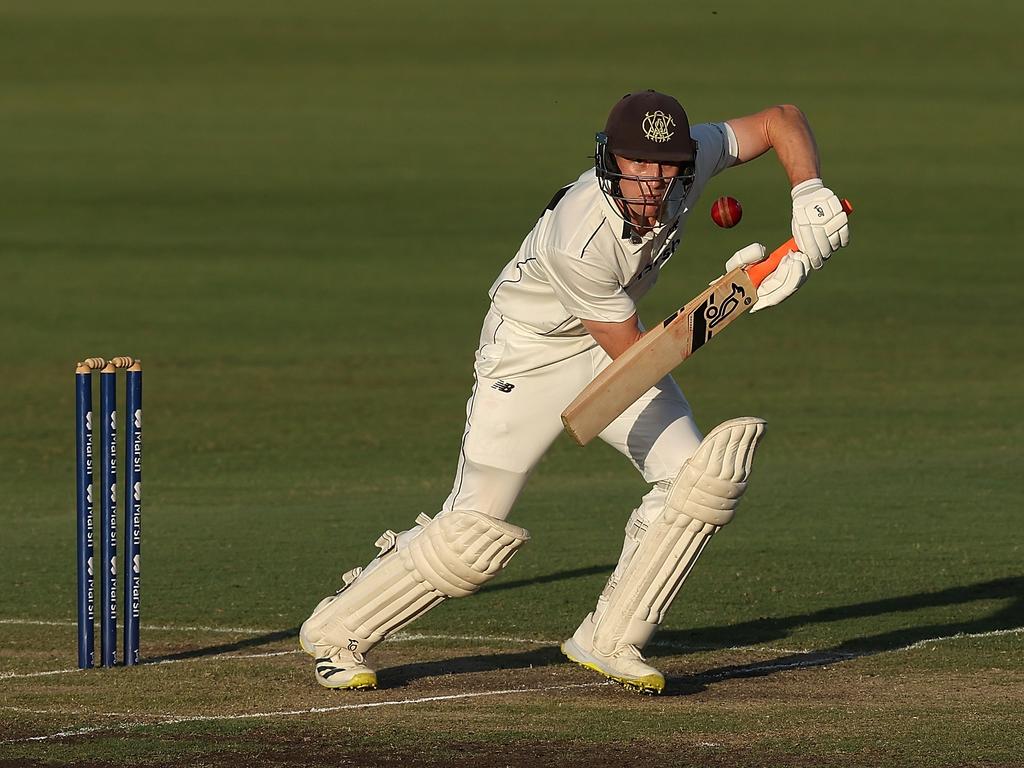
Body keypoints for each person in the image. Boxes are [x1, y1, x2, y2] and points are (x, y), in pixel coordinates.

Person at [299, 90, 850, 693]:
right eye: (639, 168)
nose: (656, 185)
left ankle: (610, 637)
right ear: (611, 162)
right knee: (471, 534)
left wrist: (808, 192)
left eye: (668, 169)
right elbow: (637, 361)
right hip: (529, 355)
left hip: (609, 341)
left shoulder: (688, 166)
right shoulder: (578, 237)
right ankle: (336, 630)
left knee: (700, 481)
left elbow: (780, 121)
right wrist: (744, 292)